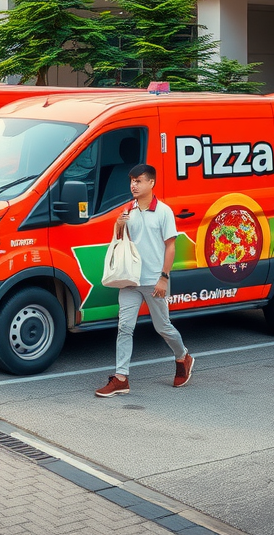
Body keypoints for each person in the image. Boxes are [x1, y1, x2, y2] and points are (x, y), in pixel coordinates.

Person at [95, 162, 193, 397]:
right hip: (130, 280)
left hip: (153, 280)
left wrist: (163, 277)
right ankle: (121, 378)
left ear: (151, 183)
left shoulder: (164, 212)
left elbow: (170, 247)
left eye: (138, 181)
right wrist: (118, 227)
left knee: (163, 327)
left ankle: (183, 357)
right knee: (125, 327)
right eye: (131, 181)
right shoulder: (128, 209)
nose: (133, 185)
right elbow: (122, 243)